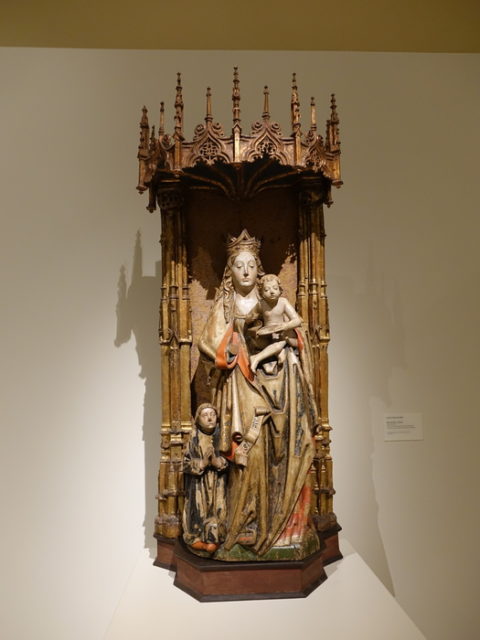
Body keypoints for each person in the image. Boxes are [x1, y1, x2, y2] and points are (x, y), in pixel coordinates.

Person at [197, 229, 320, 561]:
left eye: (251, 265)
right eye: (239, 266)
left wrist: (283, 342)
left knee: (281, 449)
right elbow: (209, 343)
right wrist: (233, 349)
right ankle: (244, 524)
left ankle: (283, 526)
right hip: (241, 387)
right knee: (247, 456)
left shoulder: (274, 301)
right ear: (230, 271)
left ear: (261, 270)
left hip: (280, 386)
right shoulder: (225, 305)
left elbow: (298, 335)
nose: (246, 272)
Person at [182, 403, 228, 554]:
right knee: (198, 510)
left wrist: (217, 462)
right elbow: (183, 464)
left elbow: (231, 460)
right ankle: (198, 540)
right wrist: (201, 463)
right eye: (205, 415)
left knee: (218, 509)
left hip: (218, 484)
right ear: (198, 419)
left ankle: (214, 538)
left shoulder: (222, 436)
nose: (209, 418)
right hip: (198, 485)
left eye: (213, 415)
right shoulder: (192, 438)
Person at [248, 273, 302, 374]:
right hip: (266, 334)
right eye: (266, 290)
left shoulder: (283, 302)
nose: (272, 292)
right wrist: (251, 319)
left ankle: (256, 358)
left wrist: (285, 326)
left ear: (280, 290)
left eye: (275, 288)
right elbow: (249, 317)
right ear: (261, 293)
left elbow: (297, 320)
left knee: (280, 342)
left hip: (281, 333)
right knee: (259, 342)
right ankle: (279, 353)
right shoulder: (261, 304)